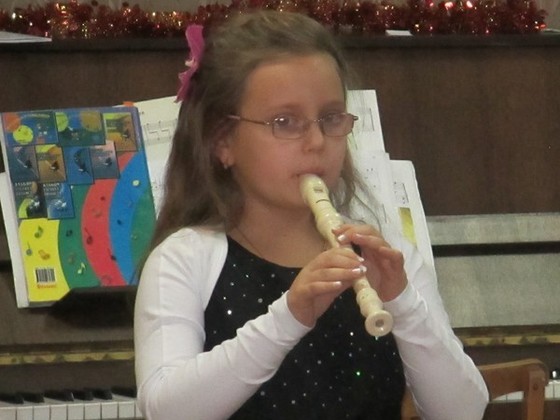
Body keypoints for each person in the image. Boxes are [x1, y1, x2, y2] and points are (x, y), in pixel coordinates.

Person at [134, 10, 489, 420]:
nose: (317, 142)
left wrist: (403, 302)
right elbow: (164, 410)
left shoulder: (385, 253)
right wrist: (289, 317)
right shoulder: (183, 260)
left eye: (331, 118)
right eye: (285, 122)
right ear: (222, 141)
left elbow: (463, 410)